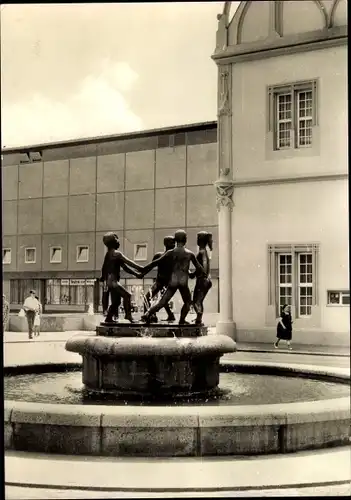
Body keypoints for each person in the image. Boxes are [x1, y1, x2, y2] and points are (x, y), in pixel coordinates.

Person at [140, 229, 205, 325]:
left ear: (176, 240)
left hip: (173, 281)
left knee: (162, 302)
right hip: (183, 282)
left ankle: (148, 313)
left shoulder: (171, 252)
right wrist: (192, 274)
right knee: (187, 302)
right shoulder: (189, 253)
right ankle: (182, 320)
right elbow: (200, 268)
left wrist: (143, 269)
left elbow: (156, 262)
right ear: (185, 240)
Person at [100, 232, 144, 324]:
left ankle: (108, 318)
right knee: (127, 295)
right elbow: (129, 263)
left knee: (116, 302)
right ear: (113, 242)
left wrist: (136, 274)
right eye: (117, 240)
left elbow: (124, 267)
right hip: (113, 282)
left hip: (110, 282)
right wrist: (140, 268)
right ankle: (128, 315)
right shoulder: (117, 254)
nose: (119, 242)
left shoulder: (108, 254)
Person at [143, 235, 176, 323]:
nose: (174, 244)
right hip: (159, 282)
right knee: (147, 298)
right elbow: (151, 266)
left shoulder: (174, 256)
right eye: (171, 242)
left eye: (174, 242)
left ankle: (166, 315)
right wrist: (142, 273)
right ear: (165, 244)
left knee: (163, 301)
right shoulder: (159, 255)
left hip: (167, 283)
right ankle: (150, 316)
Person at [190, 231, 213, 326]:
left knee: (195, 302)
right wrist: (193, 273)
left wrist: (200, 275)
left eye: (197, 238)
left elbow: (203, 266)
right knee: (199, 302)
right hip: (206, 280)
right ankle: (198, 321)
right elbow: (200, 267)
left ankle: (199, 315)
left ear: (199, 240)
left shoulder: (202, 252)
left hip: (202, 280)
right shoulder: (205, 252)